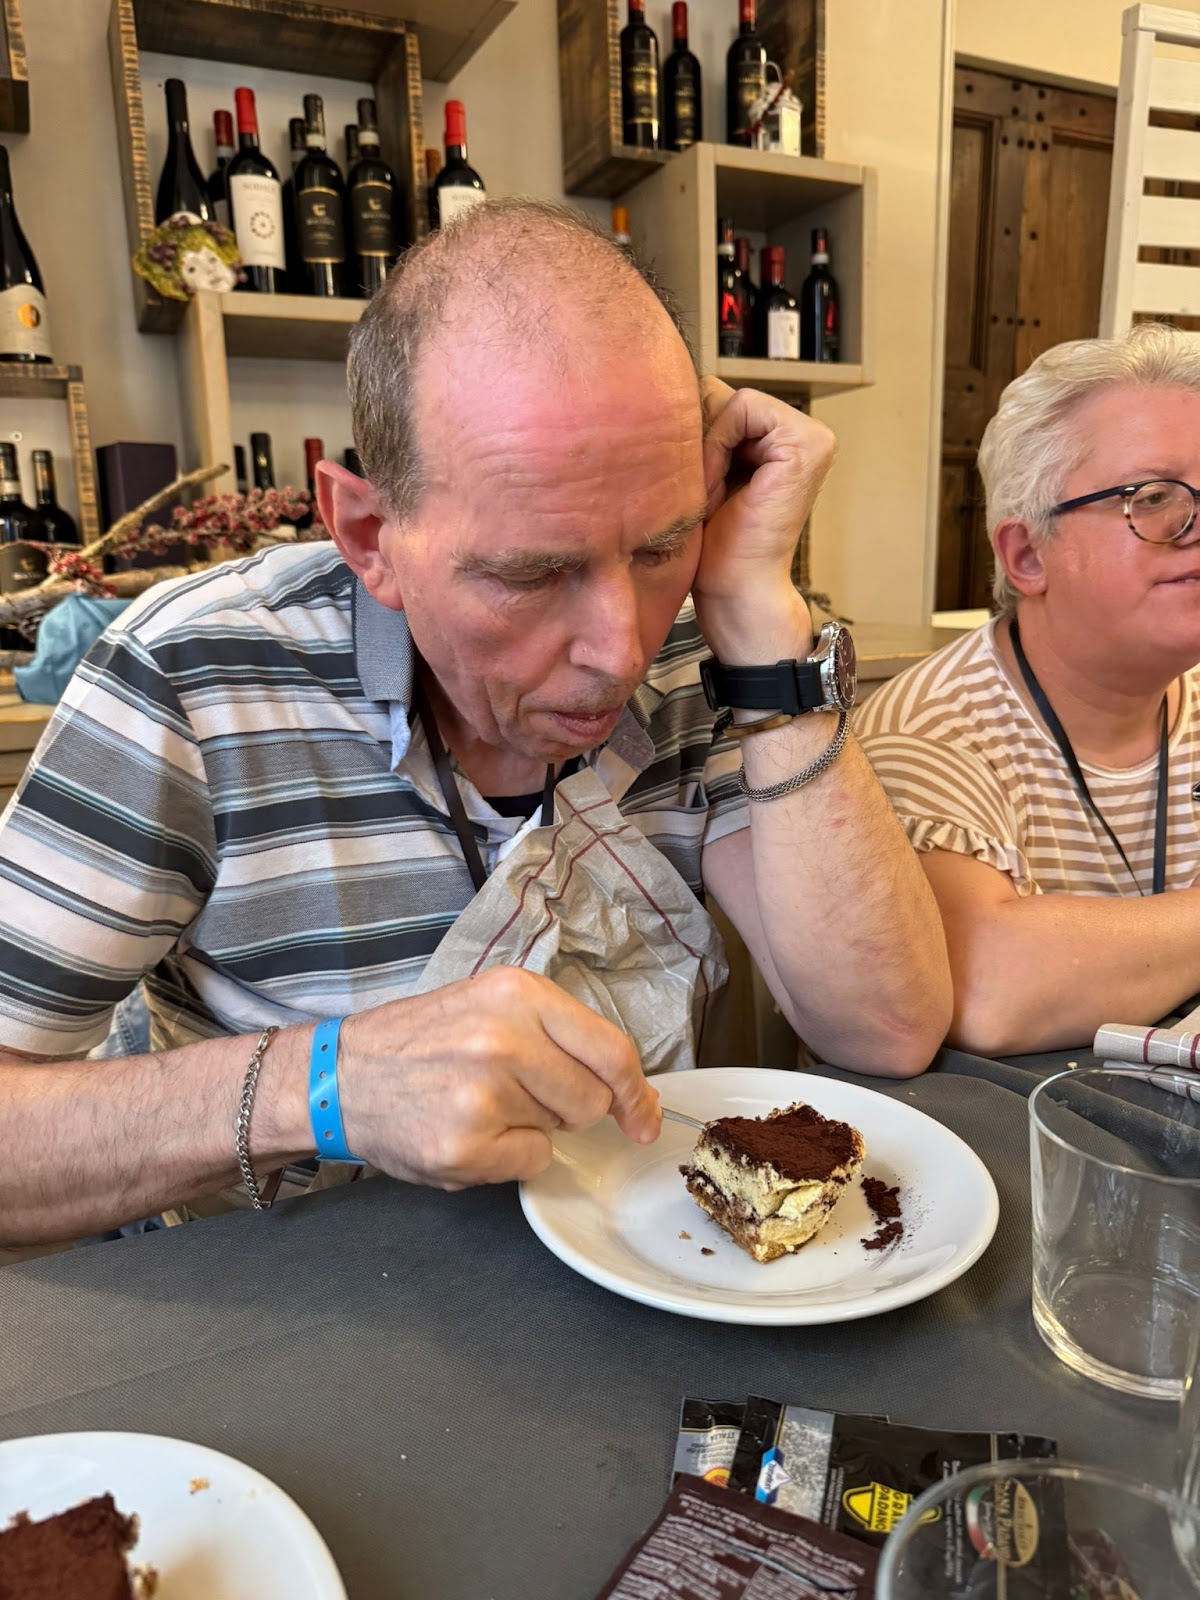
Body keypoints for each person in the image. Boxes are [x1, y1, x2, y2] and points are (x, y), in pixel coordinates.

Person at [0, 200, 950, 1248]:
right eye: (531, 575)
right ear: (370, 534)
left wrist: (764, 630)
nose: (620, 651)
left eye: (659, 547)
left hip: (630, 1278)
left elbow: (885, 1027)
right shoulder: (192, 679)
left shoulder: (700, 656)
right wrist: (327, 1085)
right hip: (284, 1303)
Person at [856, 323, 1200, 1056]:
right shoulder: (926, 732)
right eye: (1155, 497)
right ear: (1027, 556)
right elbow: (985, 987)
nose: (1193, 524)